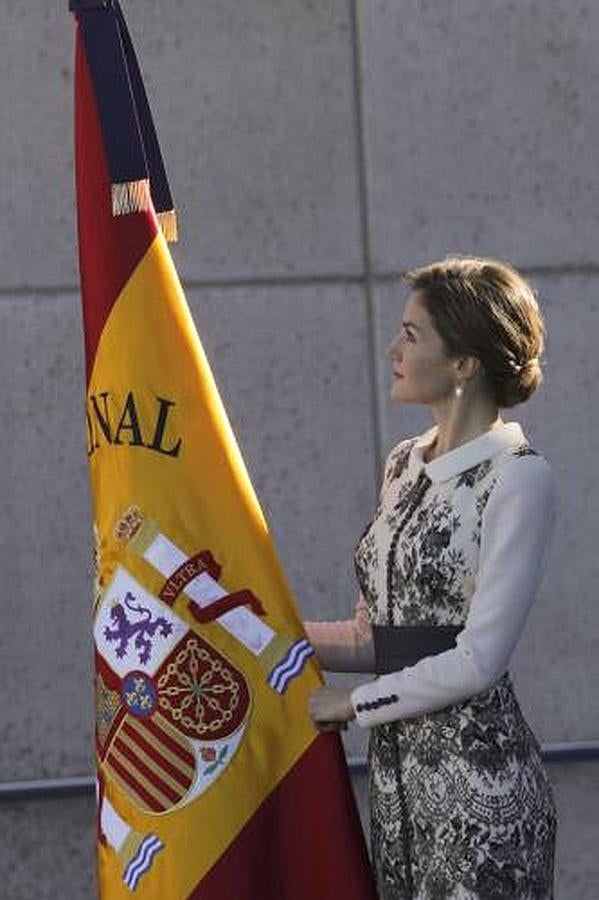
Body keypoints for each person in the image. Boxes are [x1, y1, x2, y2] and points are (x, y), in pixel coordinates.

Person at [305, 255, 557, 899]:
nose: (392, 348)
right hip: (396, 799)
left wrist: (353, 704)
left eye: (411, 336)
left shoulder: (519, 478)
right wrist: (255, 635)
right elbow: (373, 640)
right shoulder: (402, 463)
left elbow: (479, 659)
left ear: (465, 364)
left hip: (482, 797)